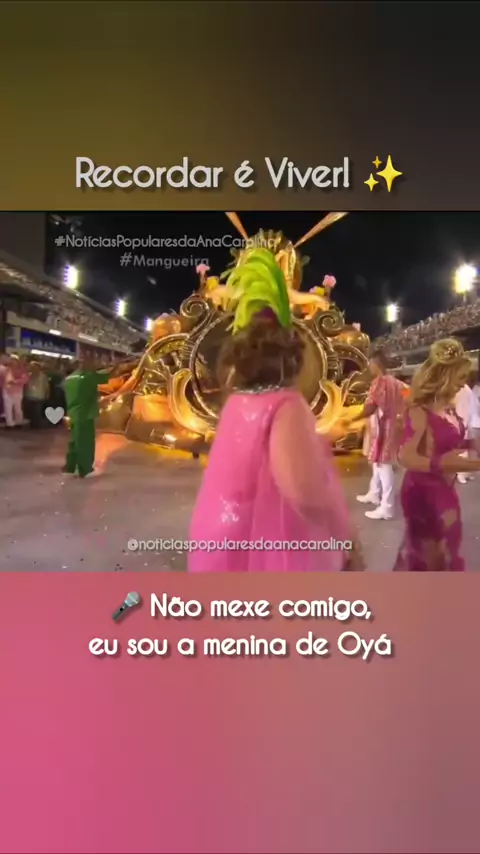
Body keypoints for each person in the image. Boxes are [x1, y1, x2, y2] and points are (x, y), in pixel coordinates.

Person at [188, 248, 363, 572]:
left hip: (228, 539)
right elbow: (303, 492)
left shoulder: (235, 402)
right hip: (270, 548)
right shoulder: (286, 405)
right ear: (292, 356)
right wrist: (346, 538)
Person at [394, 339, 480, 572]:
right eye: (460, 377)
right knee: (431, 555)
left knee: (445, 547)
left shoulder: (449, 408)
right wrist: (440, 463)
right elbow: (405, 456)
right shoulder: (419, 410)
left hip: (443, 486)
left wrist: (470, 444)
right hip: (422, 491)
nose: (463, 384)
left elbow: (448, 440)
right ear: (445, 376)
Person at [346, 349, 405, 520]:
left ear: (376, 364)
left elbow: (370, 407)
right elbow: (410, 397)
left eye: (370, 364)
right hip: (392, 426)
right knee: (377, 463)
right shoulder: (397, 383)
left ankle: (387, 507)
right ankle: (374, 493)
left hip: (382, 428)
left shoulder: (378, 382)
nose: (369, 367)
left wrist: (352, 419)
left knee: (383, 465)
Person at [63, 357, 112, 478]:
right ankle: (85, 470)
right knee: (85, 442)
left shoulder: (69, 378)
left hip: (73, 413)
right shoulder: (89, 376)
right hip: (85, 414)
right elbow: (110, 376)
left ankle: (70, 467)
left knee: (74, 442)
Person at [454, 378, 477, 484]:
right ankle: (460, 473)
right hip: (462, 421)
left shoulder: (466, 389)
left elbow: (472, 405)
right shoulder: (460, 390)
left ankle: (466, 473)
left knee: (469, 449)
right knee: (462, 449)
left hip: (468, 420)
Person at [3, 355, 29, 427]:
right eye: (11, 360)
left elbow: (25, 379)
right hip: (7, 391)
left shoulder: (22, 370)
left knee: (17, 408)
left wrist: (14, 382)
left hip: (17, 392)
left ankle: (19, 422)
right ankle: (9, 424)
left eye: (14, 360)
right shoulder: (7, 370)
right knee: (7, 408)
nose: (12, 362)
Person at [24, 361, 50, 428]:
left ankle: (37, 425)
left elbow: (46, 386)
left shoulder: (43, 376)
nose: (33, 368)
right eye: (32, 367)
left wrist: (47, 394)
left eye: (35, 367)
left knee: (37, 411)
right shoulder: (28, 375)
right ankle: (33, 423)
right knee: (31, 411)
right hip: (29, 396)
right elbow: (25, 385)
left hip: (39, 396)